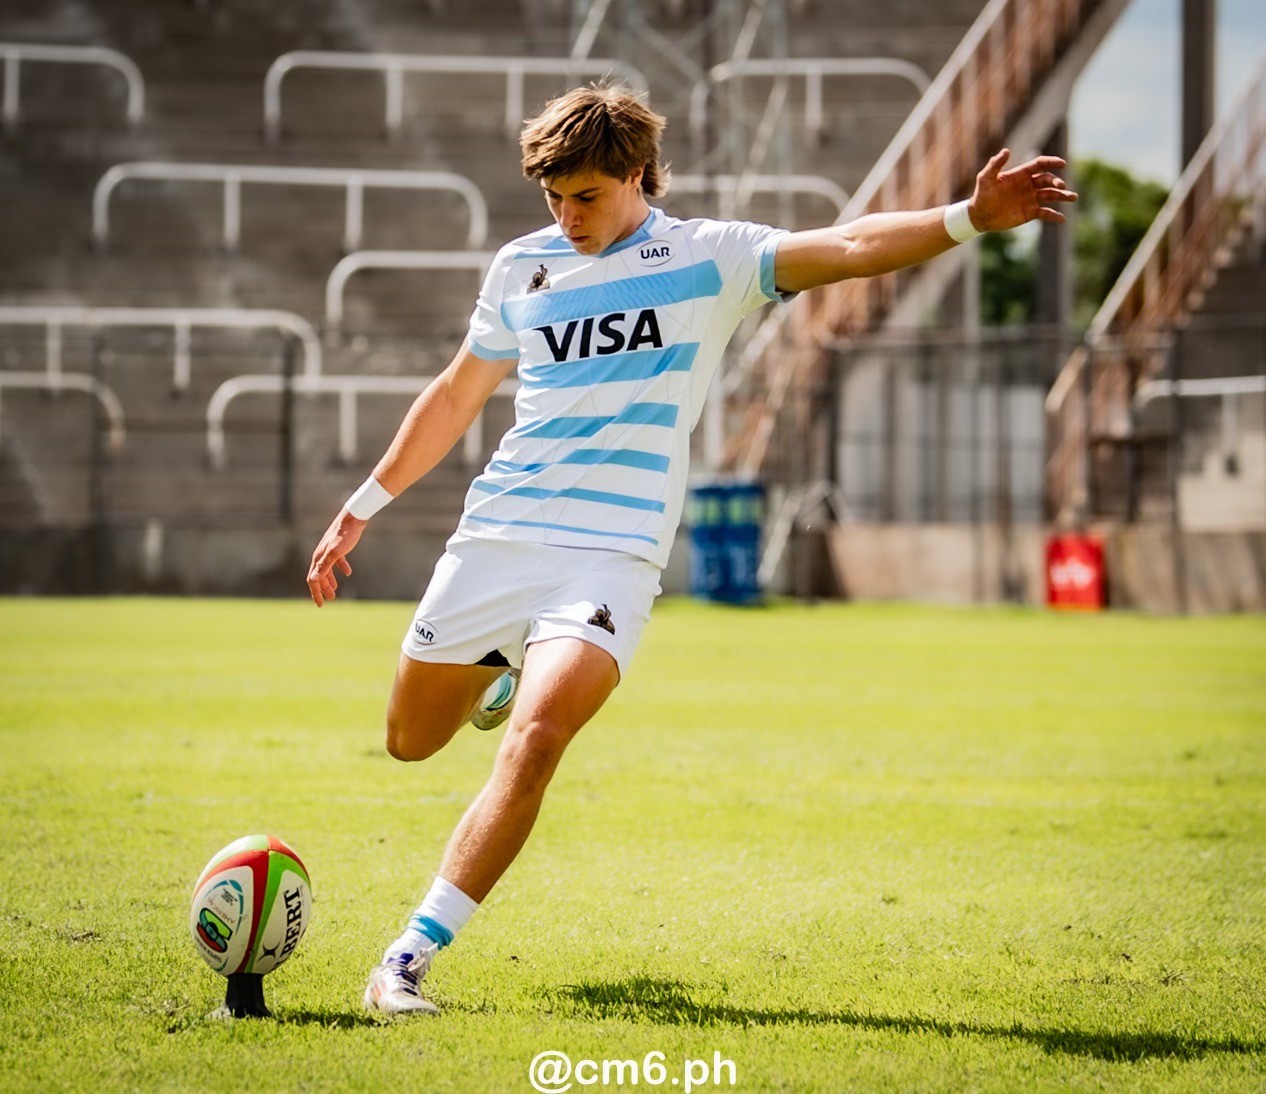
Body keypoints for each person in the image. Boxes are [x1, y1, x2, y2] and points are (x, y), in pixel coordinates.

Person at [306, 83, 1076, 1016]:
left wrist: (967, 218)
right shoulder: (523, 268)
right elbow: (458, 392)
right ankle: (501, 664)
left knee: (536, 739)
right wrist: (364, 503)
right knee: (409, 741)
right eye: (552, 198)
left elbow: (848, 246)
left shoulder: (710, 258)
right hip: (500, 533)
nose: (567, 216)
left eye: (585, 196)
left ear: (636, 175)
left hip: (611, 556)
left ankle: (408, 958)